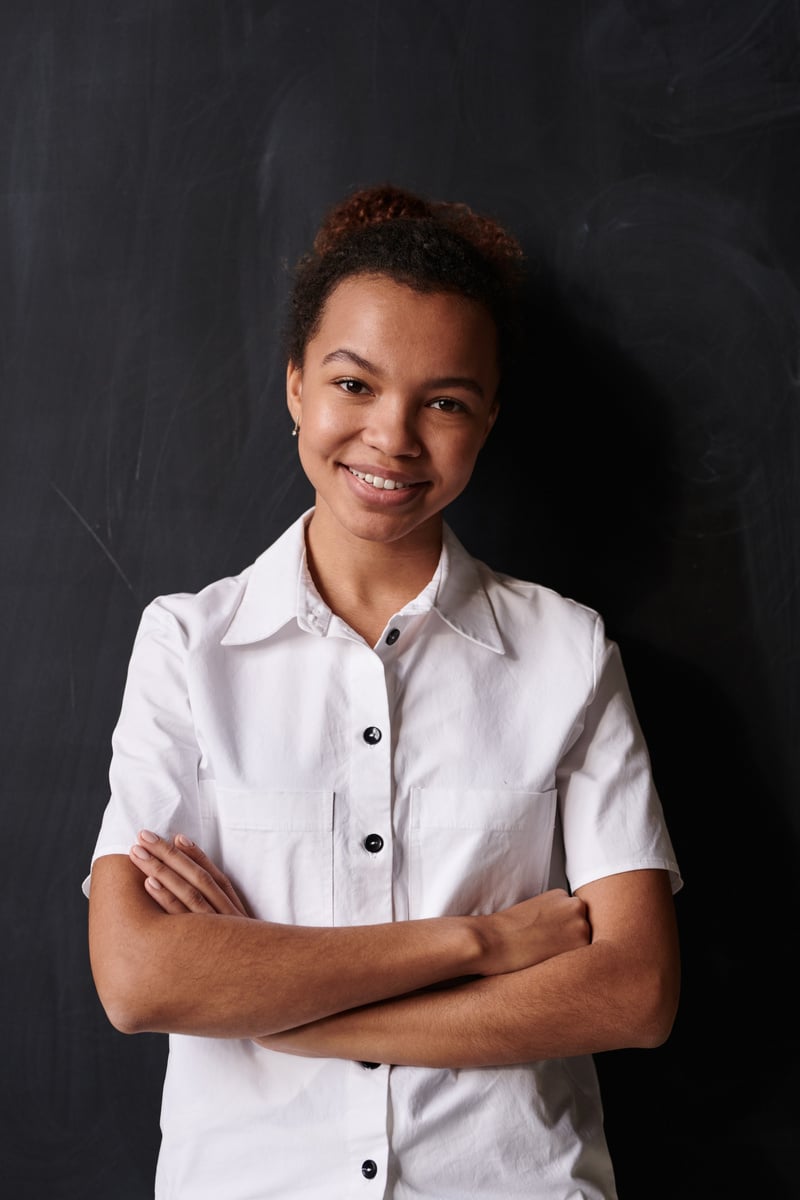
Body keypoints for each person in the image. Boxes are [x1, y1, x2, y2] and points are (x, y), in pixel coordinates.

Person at [84, 183, 682, 1200]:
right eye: (352, 385)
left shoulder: (566, 653)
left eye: (443, 401)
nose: (391, 438)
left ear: (486, 418)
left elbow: (633, 994)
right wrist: (484, 944)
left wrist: (268, 999)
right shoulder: (188, 646)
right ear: (293, 387)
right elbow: (140, 983)